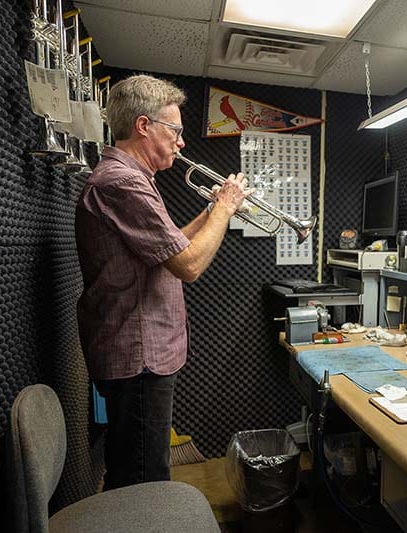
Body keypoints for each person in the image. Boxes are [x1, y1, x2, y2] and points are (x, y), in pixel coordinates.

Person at [74, 74, 251, 490]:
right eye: (175, 131)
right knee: (144, 482)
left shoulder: (134, 179)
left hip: (141, 353)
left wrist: (210, 214)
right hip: (138, 357)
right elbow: (188, 265)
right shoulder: (122, 182)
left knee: (139, 471)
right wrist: (224, 209)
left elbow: (169, 247)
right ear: (143, 126)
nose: (181, 143)